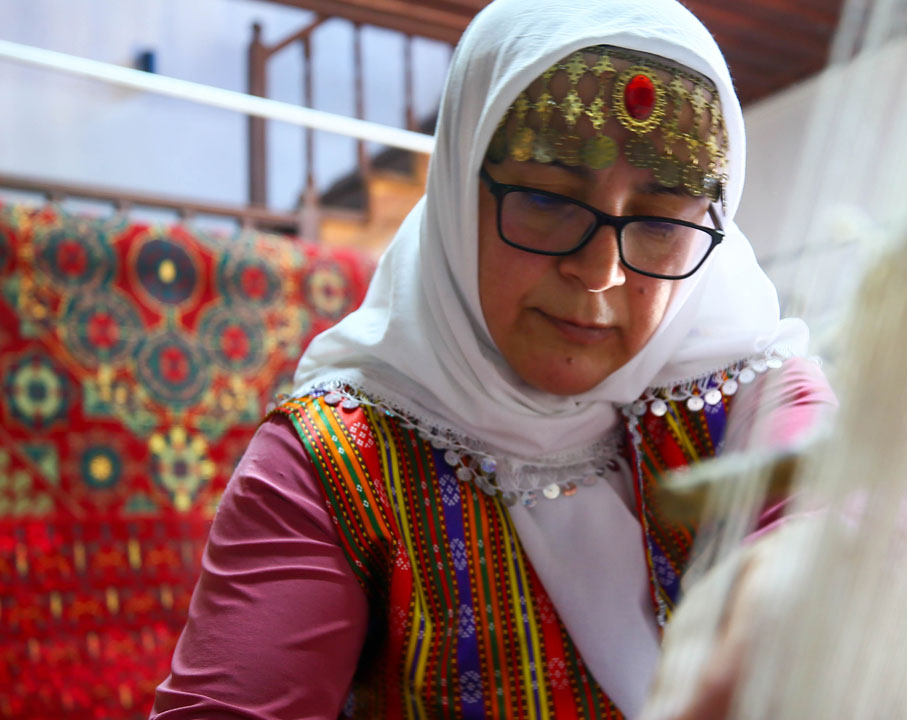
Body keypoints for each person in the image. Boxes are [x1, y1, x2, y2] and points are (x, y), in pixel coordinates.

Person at [152, 0, 835, 717]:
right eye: (546, 199)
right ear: (457, 193)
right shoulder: (333, 468)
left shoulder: (746, 390)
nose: (599, 271)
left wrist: (797, 577)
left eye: (661, 220)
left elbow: (832, 503)